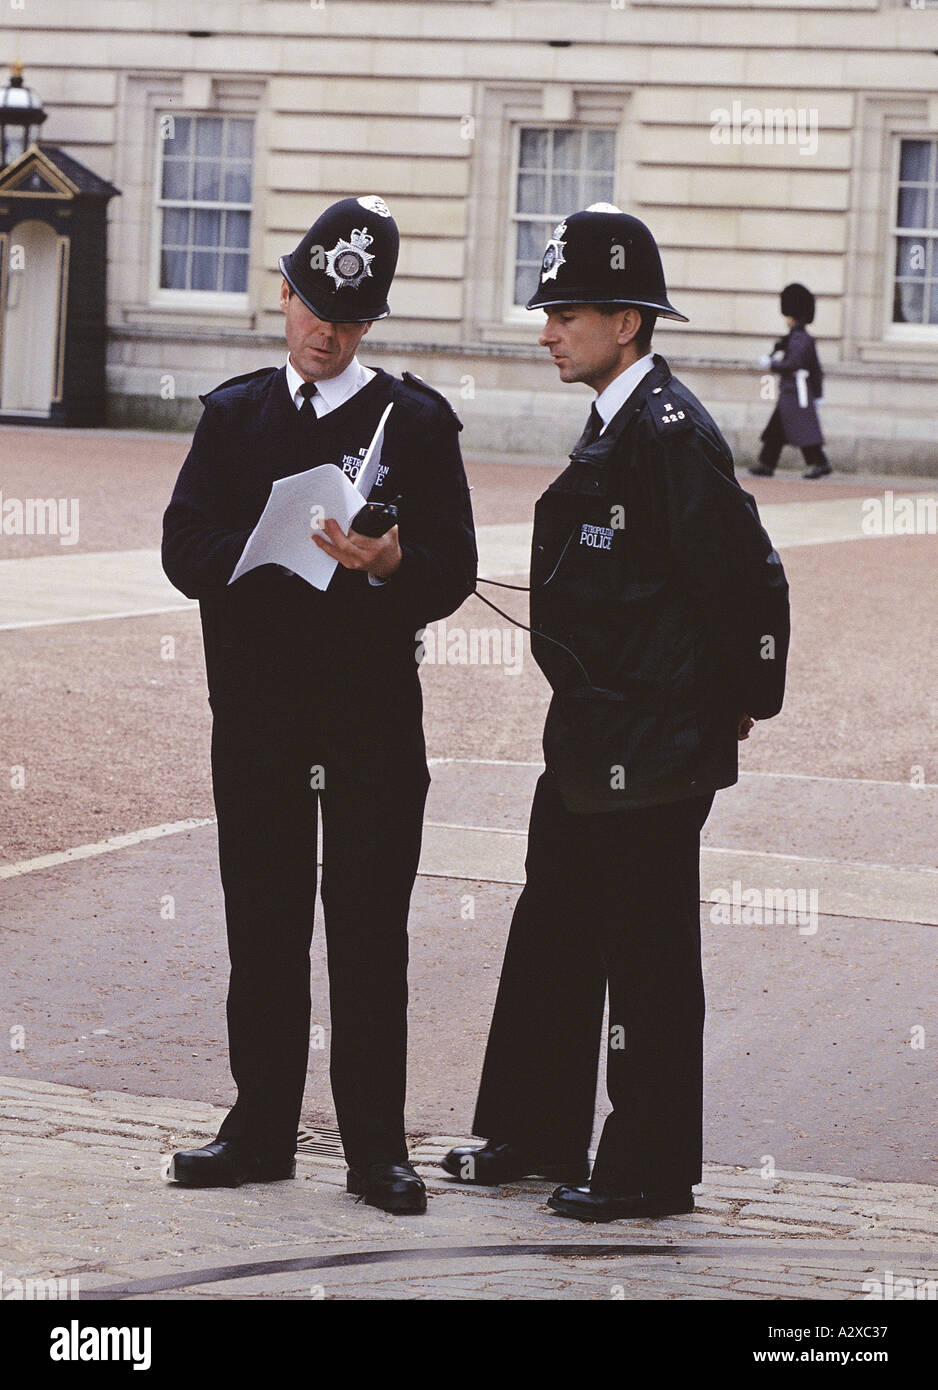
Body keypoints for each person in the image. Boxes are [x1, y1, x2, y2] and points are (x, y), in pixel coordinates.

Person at [442, 205, 790, 1221]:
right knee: (549, 926)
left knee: (643, 958)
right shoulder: (616, 422)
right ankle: (532, 1133)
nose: (545, 328)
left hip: (653, 741)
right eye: (546, 309)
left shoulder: (669, 434)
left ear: (626, 322)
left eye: (565, 312)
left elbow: (747, 581)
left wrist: (737, 701)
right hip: (593, 737)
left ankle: (645, 1166)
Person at [161, 195, 477, 1214]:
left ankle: (374, 1150)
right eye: (309, 305)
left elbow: (453, 565)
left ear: (368, 323)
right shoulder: (233, 414)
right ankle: (257, 1129)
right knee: (262, 923)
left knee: (367, 928)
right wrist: (256, 551)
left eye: (345, 319)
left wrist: (389, 562)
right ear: (285, 293)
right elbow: (181, 543)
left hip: (368, 717)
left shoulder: (414, 422)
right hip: (254, 714)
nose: (322, 330)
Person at [750, 282, 830, 480]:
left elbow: (793, 364)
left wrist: (771, 363)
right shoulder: (796, 337)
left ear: (792, 316)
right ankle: (767, 463)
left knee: (804, 431)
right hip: (791, 392)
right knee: (776, 429)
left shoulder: (801, 338)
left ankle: (819, 463)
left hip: (797, 392)